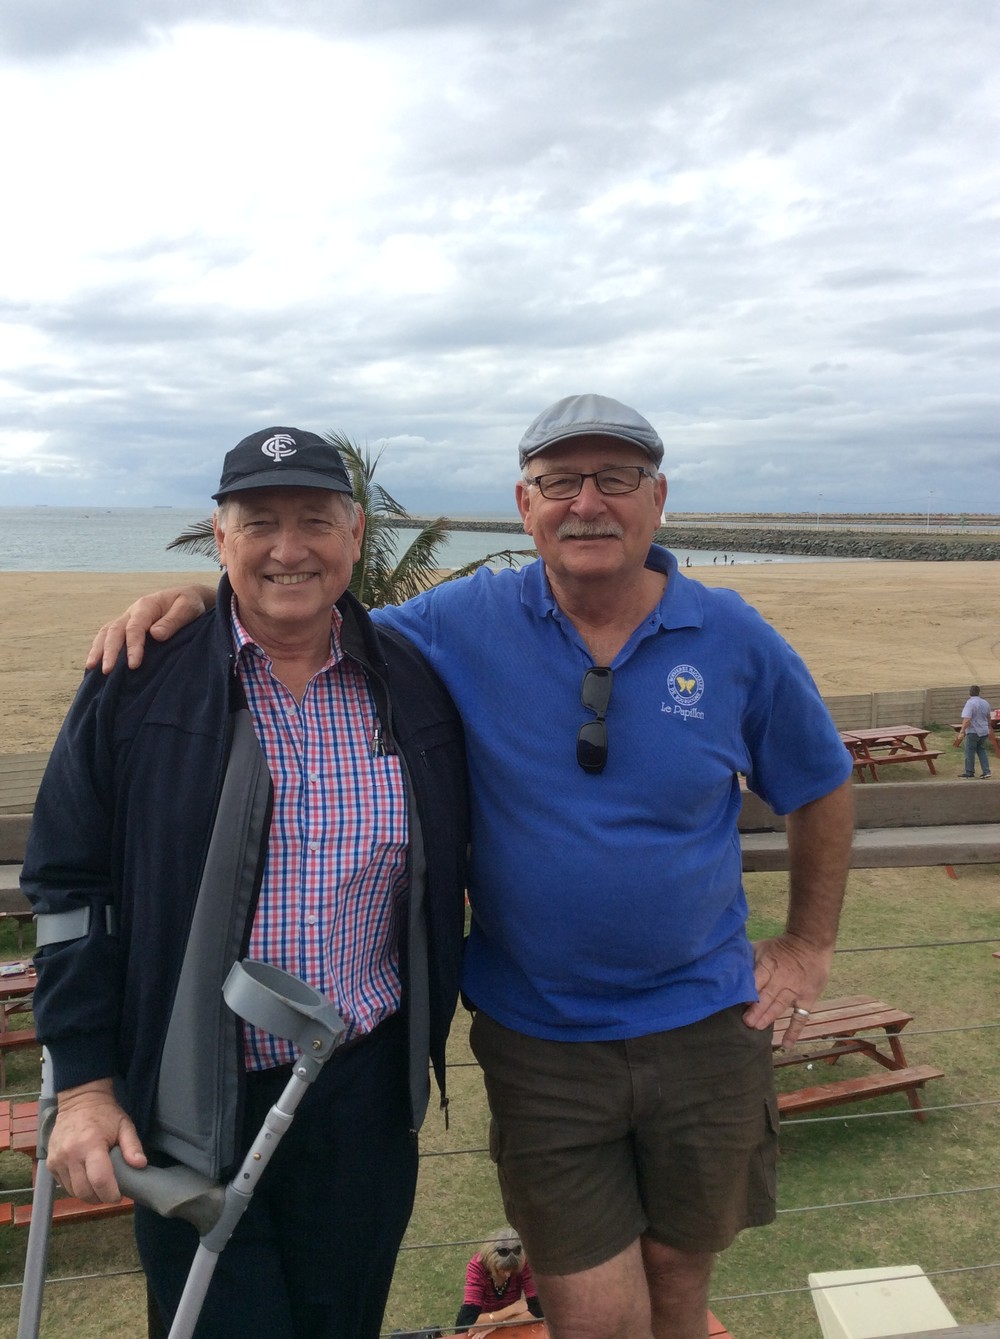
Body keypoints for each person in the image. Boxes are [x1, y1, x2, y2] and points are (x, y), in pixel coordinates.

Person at [87, 395, 855, 1339]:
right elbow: (306, 605)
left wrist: (808, 943)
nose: (587, 502)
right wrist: (207, 600)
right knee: (596, 1313)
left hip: (706, 1023)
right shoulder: (462, 620)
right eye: (559, 481)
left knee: (679, 1284)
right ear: (525, 505)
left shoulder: (734, 637)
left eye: (615, 478)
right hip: (542, 1041)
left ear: (657, 499)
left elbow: (821, 782)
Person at [21, 428, 469, 1339]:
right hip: (187, 1094)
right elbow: (68, 891)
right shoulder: (135, 681)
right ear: (219, 539)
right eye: (259, 521)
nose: (288, 547)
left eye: (316, 520)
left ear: (355, 534)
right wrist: (87, 1085)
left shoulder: (412, 682)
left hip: (360, 1098)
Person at [454, 1227, 544, 1330]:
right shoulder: (478, 1267)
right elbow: (467, 1323)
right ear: (491, 1264)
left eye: (512, 1270)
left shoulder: (524, 1262)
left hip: (502, 1325)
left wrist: (497, 1325)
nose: (508, 1275)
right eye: (503, 1270)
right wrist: (512, 1309)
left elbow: (539, 1312)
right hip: (483, 1327)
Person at [953, 684, 994, 778]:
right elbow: (988, 717)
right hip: (984, 731)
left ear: (969, 693)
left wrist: (962, 731)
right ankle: (986, 771)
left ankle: (969, 772)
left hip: (973, 731)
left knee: (969, 751)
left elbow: (967, 719)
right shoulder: (985, 703)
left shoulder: (970, 703)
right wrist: (989, 727)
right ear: (979, 692)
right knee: (981, 749)